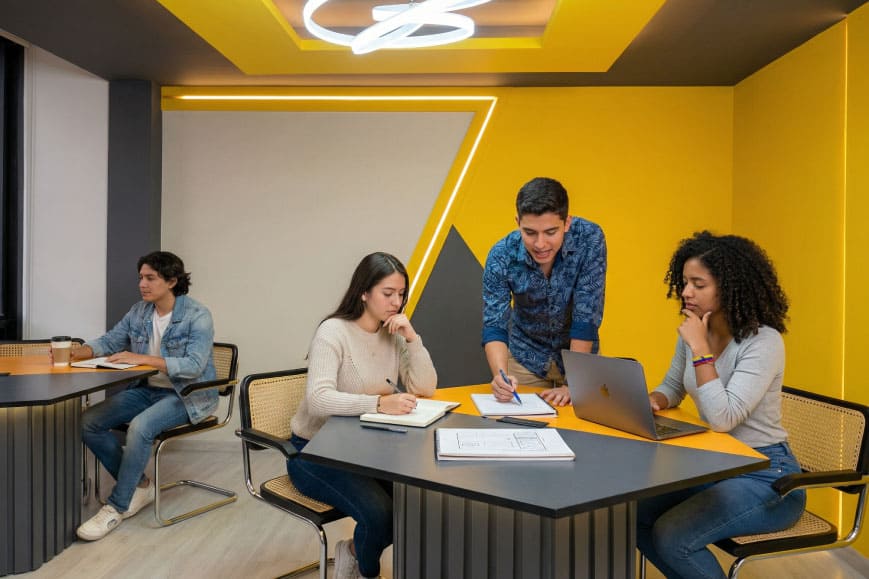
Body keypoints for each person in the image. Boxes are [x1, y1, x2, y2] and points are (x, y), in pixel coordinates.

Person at [637, 231, 806, 579]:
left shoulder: (764, 342)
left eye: (698, 284)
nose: (686, 292)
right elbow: (674, 386)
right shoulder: (697, 331)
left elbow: (722, 418)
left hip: (768, 477)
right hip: (717, 466)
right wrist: (653, 400)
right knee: (633, 513)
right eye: (685, 282)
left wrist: (701, 350)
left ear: (729, 287)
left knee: (673, 538)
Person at [288, 252, 437, 579]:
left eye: (401, 294)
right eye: (388, 293)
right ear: (364, 292)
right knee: (380, 516)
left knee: (416, 505)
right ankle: (364, 571)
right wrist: (379, 404)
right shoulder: (333, 332)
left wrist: (412, 338)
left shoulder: (392, 333)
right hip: (313, 451)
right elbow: (318, 399)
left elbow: (425, 387)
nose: (396, 302)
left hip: (363, 451)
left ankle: (354, 551)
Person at [73, 251, 217, 541]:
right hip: (148, 390)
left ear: (172, 281)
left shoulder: (198, 315)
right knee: (88, 422)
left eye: (150, 278)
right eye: (141, 277)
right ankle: (140, 486)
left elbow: (193, 366)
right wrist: (80, 352)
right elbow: (110, 341)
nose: (142, 284)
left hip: (186, 395)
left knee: (140, 427)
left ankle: (116, 506)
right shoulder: (139, 311)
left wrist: (141, 358)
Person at [482, 176, 606, 406]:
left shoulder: (589, 239)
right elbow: (495, 324)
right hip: (525, 360)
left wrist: (574, 384)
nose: (540, 244)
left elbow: (586, 316)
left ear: (566, 223)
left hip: (580, 359)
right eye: (530, 232)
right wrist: (500, 376)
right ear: (518, 222)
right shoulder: (501, 254)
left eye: (550, 232)